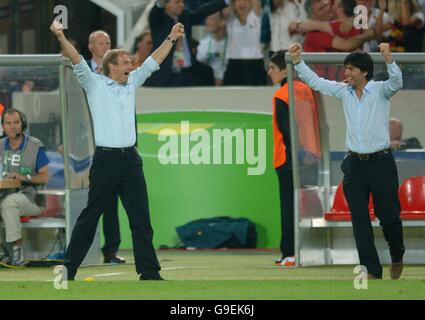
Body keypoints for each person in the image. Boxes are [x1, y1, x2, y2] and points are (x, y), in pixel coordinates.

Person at [50, 19, 185, 281]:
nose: (131, 66)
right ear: (110, 67)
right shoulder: (94, 84)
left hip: (131, 160)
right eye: (125, 62)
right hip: (107, 160)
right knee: (90, 216)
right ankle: (67, 270)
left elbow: (153, 60)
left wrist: (171, 37)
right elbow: (77, 59)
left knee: (141, 219)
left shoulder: (132, 81)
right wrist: (60, 36)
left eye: (130, 62)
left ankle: (149, 272)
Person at [288, 42, 405, 280]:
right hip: (354, 166)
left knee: (389, 217)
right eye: (346, 68)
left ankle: (397, 253)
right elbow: (317, 83)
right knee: (359, 219)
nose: (346, 73)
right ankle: (372, 269)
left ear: (364, 72)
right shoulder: (344, 91)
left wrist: (388, 58)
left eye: (351, 69)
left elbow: (398, 82)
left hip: (381, 164)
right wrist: (298, 62)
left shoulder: (381, 90)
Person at [268, 50, 320, 267]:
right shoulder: (306, 90)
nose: (269, 72)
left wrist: (297, 155)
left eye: (272, 68)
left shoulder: (282, 94)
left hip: (289, 160)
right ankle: (309, 250)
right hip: (312, 156)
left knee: (289, 207)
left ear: (283, 70)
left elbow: (288, 130)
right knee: (307, 207)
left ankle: (289, 252)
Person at [85, 30, 125, 265]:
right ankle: (82, 248)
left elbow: (126, 108)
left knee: (110, 199)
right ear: (90, 47)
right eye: (100, 43)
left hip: (110, 142)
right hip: (83, 141)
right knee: (93, 200)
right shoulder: (78, 70)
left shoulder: (121, 72)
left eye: (108, 43)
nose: (104, 46)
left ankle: (110, 250)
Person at [0, 109, 50, 267]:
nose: (13, 126)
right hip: (3, 194)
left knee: (10, 202)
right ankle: (2, 251)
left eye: (16, 122)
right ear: (3, 127)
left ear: (23, 125)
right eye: (8, 123)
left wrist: (24, 177)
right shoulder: (0, 145)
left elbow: (45, 177)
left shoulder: (35, 145)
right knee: (7, 202)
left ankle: (17, 249)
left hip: (32, 199)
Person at [147, 0, 230, 87]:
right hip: (166, 76)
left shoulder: (185, 16)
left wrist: (226, 2)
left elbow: (204, 11)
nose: (181, 5)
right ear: (166, 4)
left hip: (188, 74)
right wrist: (160, 2)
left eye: (182, 2)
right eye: (177, 2)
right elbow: (157, 9)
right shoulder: (158, 19)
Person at [223, 0, 267, 86]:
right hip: (233, 66)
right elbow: (224, 8)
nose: (242, 3)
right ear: (234, 3)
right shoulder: (230, 19)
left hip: (255, 66)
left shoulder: (256, 16)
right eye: (238, 0)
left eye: (246, 0)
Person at [196, 12, 228, 86]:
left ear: (222, 22)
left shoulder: (233, 45)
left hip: (229, 84)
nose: (207, 22)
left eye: (212, 19)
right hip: (208, 85)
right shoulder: (202, 44)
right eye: (207, 19)